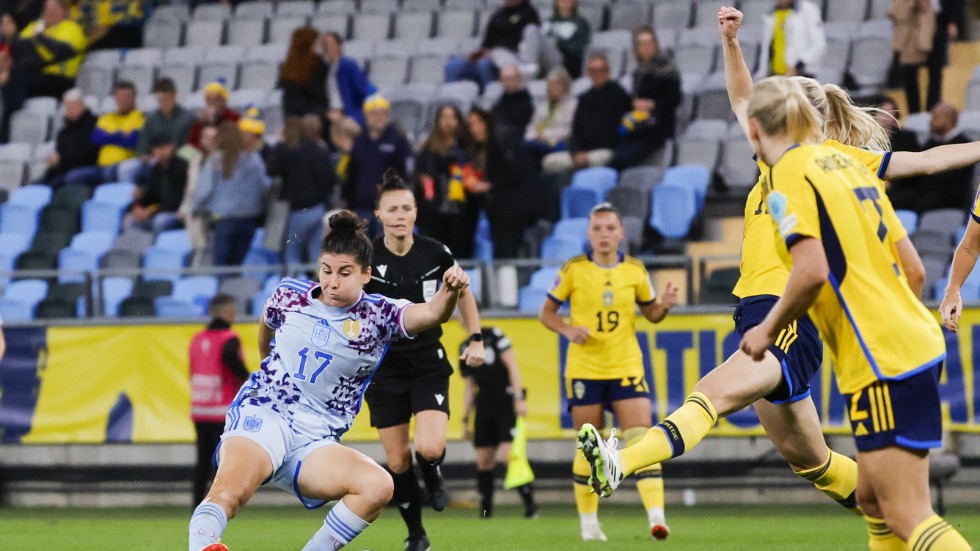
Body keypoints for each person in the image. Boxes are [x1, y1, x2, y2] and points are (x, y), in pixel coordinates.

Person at [580, 9, 980, 550]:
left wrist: (776, 325)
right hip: (795, 317)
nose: (748, 125)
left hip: (784, 312)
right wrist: (730, 44)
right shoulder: (800, 164)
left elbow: (926, 162)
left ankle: (620, 460)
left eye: (757, 122)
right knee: (815, 464)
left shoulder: (807, 167)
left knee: (711, 393)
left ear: (778, 125)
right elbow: (909, 258)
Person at [737, 76, 970, 550]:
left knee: (907, 514)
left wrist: (768, 329)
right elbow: (916, 271)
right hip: (914, 344)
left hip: (880, 357)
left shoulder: (789, 176)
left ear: (757, 132)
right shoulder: (849, 168)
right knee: (870, 497)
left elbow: (811, 271)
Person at [187, 210, 471, 551]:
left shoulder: (379, 315)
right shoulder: (290, 295)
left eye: (344, 273)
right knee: (229, 495)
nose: (332, 282)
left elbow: (431, 313)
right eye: (326, 270)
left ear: (367, 274)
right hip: (266, 414)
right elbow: (268, 325)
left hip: (317, 438)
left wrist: (449, 291)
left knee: (377, 485)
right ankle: (202, 545)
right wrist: (268, 369)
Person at [539, 203, 678, 542]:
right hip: (585, 368)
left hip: (626, 365)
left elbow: (651, 314)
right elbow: (546, 313)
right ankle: (589, 524)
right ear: (589, 234)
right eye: (597, 229)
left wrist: (664, 306)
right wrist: (568, 330)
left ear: (621, 233)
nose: (604, 235)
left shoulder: (635, 270)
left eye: (610, 228)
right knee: (589, 445)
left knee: (644, 438)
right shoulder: (573, 269)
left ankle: (656, 517)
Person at [363, 169, 486, 551]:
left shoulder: (436, 253)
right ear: (378, 215)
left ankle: (432, 472)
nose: (399, 215)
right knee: (397, 462)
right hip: (383, 367)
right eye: (392, 209)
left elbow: (463, 294)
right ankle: (416, 534)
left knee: (429, 448)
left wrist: (476, 338)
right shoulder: (366, 257)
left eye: (406, 208)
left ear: (415, 212)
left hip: (426, 360)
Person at [459, 326, 538, 520]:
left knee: (508, 455)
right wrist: (465, 418)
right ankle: (485, 511)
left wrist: (518, 398)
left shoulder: (494, 335)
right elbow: (470, 385)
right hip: (483, 405)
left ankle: (531, 505)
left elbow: (512, 366)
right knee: (484, 459)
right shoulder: (463, 346)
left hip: (505, 402)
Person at [188, 294, 249, 507]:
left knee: (202, 461)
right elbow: (232, 359)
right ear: (229, 313)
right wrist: (249, 380)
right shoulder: (228, 338)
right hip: (221, 409)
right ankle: (218, 505)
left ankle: (197, 505)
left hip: (200, 408)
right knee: (222, 463)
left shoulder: (197, 339)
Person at [191, 120, 270, 266]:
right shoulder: (254, 158)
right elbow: (264, 187)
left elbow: (203, 190)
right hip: (249, 218)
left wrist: (195, 208)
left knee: (221, 266)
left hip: (224, 219)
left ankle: (221, 288)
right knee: (237, 265)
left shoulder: (215, 159)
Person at [542, 52, 630, 173]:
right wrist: (576, 152)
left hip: (606, 148)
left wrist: (587, 153)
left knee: (598, 158)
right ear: (588, 74)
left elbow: (616, 131)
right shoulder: (584, 98)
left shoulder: (619, 95)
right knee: (550, 162)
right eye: (593, 71)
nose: (597, 74)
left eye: (601, 70)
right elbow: (576, 131)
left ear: (608, 72)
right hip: (581, 152)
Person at [610, 25, 680, 170]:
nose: (645, 47)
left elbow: (675, 98)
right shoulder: (638, 71)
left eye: (648, 43)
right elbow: (635, 97)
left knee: (623, 160)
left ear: (655, 44)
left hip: (658, 124)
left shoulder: (668, 68)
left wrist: (653, 104)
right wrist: (634, 102)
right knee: (614, 156)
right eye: (641, 44)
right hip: (638, 123)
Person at [272, 114, 335, 265]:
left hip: (299, 209)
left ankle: (295, 287)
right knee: (317, 254)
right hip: (319, 207)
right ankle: (320, 285)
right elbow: (329, 180)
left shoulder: (289, 152)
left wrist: (279, 144)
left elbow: (272, 169)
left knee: (292, 253)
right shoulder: (320, 150)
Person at [343, 94, 413, 228]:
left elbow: (406, 173)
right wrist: (347, 200)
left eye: (382, 113)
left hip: (388, 207)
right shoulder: (359, 140)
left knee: (385, 246)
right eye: (373, 113)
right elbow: (352, 172)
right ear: (366, 115)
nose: (378, 117)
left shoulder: (398, 139)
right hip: (361, 206)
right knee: (362, 247)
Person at [444, 0, 541, 91]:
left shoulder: (529, 14)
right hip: (488, 55)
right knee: (452, 66)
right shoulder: (499, 14)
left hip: (509, 60)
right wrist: (478, 54)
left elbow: (527, 46)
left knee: (484, 64)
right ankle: (451, 103)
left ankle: (490, 96)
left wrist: (493, 52)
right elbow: (487, 42)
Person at [63, 79, 144, 187]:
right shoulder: (106, 118)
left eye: (127, 97)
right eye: (120, 96)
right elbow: (96, 139)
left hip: (122, 165)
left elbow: (133, 141)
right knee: (73, 176)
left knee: (110, 173)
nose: (123, 100)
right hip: (100, 166)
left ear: (134, 98)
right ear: (115, 98)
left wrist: (109, 136)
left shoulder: (140, 117)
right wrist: (120, 135)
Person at [1, 0, 86, 100]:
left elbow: (61, 52)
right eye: (47, 8)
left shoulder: (72, 28)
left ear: (64, 11)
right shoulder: (37, 25)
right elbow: (18, 44)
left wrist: (40, 38)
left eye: (54, 8)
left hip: (59, 78)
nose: (50, 11)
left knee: (15, 80)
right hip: (32, 73)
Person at [414, 103, 473, 247]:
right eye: (444, 117)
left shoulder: (467, 147)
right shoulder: (428, 148)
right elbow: (419, 174)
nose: (448, 122)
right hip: (434, 210)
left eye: (452, 117)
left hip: (461, 212)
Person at [129, 132, 189, 234]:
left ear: (173, 146)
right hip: (162, 210)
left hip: (181, 212)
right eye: (157, 148)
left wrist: (151, 211)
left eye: (165, 147)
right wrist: (138, 206)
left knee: (160, 221)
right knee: (130, 220)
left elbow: (177, 200)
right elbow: (152, 195)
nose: (161, 151)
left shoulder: (182, 167)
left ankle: (157, 248)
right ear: (152, 151)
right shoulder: (156, 169)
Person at [38, 87, 97, 187]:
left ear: (82, 104)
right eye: (67, 106)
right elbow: (60, 152)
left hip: (87, 168)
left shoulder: (94, 126)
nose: (69, 110)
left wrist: (62, 159)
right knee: (36, 185)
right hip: (64, 169)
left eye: (73, 105)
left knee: (67, 179)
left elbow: (89, 154)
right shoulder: (64, 131)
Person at [321, 31, 376, 128]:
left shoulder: (348, 65)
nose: (327, 48)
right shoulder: (326, 68)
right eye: (325, 45)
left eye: (330, 44)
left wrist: (354, 116)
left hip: (347, 114)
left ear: (339, 46)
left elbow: (364, 90)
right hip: (330, 113)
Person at [757, 0, 825, 77]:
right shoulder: (771, 14)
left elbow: (818, 45)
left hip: (801, 75)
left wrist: (798, 66)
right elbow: (766, 47)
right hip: (775, 75)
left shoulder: (808, 10)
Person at [890, 0, 935, 114]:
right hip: (908, 40)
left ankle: (931, 111)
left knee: (935, 75)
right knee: (910, 77)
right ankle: (914, 113)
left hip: (930, 34)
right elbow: (896, 13)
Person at [524, 66, 576, 163]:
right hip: (538, 141)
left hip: (559, 142)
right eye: (550, 85)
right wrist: (532, 136)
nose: (553, 88)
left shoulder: (573, 104)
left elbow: (570, 130)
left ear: (565, 85)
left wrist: (546, 135)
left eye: (557, 85)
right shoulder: (543, 105)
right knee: (521, 146)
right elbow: (533, 125)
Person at [279, 27, 328, 129]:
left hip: (319, 115)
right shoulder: (289, 70)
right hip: (300, 118)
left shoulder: (320, 65)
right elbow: (294, 103)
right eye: (316, 43)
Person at [136, 77, 195, 157]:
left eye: (167, 100)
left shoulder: (188, 118)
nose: (164, 104)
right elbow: (143, 145)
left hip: (179, 160)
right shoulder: (151, 119)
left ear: (174, 95)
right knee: (128, 168)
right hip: (154, 159)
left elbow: (190, 147)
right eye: (160, 100)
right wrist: (145, 155)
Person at [540, 0, 590, 79]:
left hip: (566, 62)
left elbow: (579, 48)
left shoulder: (580, 23)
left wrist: (558, 43)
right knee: (531, 30)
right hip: (546, 61)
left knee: (532, 30)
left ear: (573, 2)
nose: (564, 3)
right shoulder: (548, 22)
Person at [188, 81, 240, 150]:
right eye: (209, 100)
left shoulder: (233, 117)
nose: (212, 103)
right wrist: (200, 123)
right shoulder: (202, 120)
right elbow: (192, 144)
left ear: (223, 101)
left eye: (216, 100)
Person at [490, 64, 533, 144]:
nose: (508, 82)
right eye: (505, 79)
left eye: (511, 78)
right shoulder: (499, 101)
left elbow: (523, 124)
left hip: (517, 138)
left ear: (519, 78)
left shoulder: (526, 100)